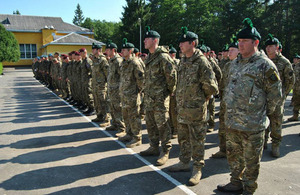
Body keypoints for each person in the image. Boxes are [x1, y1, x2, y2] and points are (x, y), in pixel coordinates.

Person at [217, 18, 282, 194]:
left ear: (256, 42)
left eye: (245, 41)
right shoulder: (234, 64)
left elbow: (275, 95)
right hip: (232, 123)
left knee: (251, 161)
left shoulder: (264, 65)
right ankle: (235, 182)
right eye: (239, 41)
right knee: (234, 157)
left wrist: (261, 114)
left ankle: (249, 188)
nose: (241, 44)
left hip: (252, 125)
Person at [168, 27, 218, 186]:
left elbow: (211, 87)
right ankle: (183, 162)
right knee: (183, 138)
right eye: (180, 42)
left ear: (193, 43)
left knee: (197, 140)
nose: (180, 45)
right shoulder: (183, 60)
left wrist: (199, 99)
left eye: (184, 42)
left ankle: (197, 168)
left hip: (196, 111)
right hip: (182, 109)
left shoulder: (202, 61)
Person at [140, 26, 177, 166]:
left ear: (155, 40)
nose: (144, 41)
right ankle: (153, 147)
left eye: (146, 39)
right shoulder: (149, 57)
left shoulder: (163, 57)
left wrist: (167, 92)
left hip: (160, 98)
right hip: (149, 98)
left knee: (162, 125)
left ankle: (165, 151)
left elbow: (172, 77)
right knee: (150, 124)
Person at [264, 34, 295, 157]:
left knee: (276, 122)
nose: (268, 48)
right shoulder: (264, 61)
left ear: (278, 48)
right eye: (267, 46)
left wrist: (283, 94)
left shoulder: (284, 62)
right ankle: (263, 142)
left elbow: (290, 81)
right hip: (264, 97)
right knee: (263, 121)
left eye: (271, 46)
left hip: (277, 99)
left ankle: (275, 145)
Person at [211, 35, 239, 158]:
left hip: (238, 106)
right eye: (229, 50)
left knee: (236, 133)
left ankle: (235, 155)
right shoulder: (228, 65)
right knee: (222, 127)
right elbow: (223, 82)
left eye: (232, 50)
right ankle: (223, 149)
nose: (228, 52)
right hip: (225, 102)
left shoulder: (247, 66)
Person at [118, 38, 144, 148]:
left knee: (134, 117)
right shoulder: (124, 62)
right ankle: (129, 134)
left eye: (124, 50)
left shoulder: (135, 63)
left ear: (130, 51)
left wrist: (138, 91)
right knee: (126, 116)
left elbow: (141, 80)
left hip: (132, 95)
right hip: (124, 95)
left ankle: (137, 137)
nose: (122, 51)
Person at [105, 40, 126, 136]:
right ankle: (115, 124)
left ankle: (122, 128)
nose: (106, 51)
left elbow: (122, 76)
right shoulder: (111, 60)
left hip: (117, 89)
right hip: (111, 88)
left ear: (113, 50)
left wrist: (120, 89)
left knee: (118, 108)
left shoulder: (118, 61)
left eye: (108, 49)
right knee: (112, 107)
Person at [91, 43, 110, 124]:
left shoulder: (103, 60)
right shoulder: (95, 59)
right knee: (97, 102)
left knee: (103, 102)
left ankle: (106, 119)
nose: (92, 50)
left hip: (101, 86)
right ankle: (99, 116)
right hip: (95, 85)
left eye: (94, 49)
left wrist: (106, 85)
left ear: (98, 50)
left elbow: (107, 74)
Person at [168, 44, 180, 139]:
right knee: (168, 111)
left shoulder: (178, 62)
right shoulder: (168, 62)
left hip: (176, 90)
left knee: (174, 111)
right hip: (169, 90)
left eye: (172, 53)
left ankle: (176, 129)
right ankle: (171, 128)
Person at [288, 54, 300, 121]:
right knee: (296, 102)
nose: (294, 60)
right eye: (294, 59)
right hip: (295, 88)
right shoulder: (292, 66)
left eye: (296, 59)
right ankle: (295, 116)